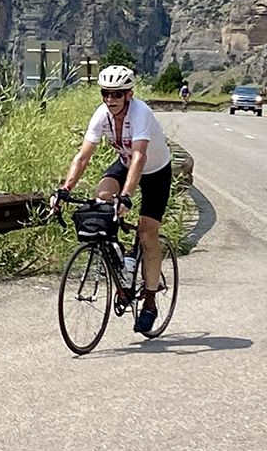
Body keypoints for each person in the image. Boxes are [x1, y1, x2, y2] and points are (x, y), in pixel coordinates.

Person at [50, 65, 174, 334]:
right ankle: (123, 265)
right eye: (105, 93)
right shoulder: (102, 115)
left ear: (129, 94)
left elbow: (139, 157)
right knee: (101, 199)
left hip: (155, 172)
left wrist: (127, 197)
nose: (110, 99)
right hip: (124, 164)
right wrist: (64, 189)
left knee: (147, 233)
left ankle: (149, 301)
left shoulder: (141, 113)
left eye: (117, 94)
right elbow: (83, 156)